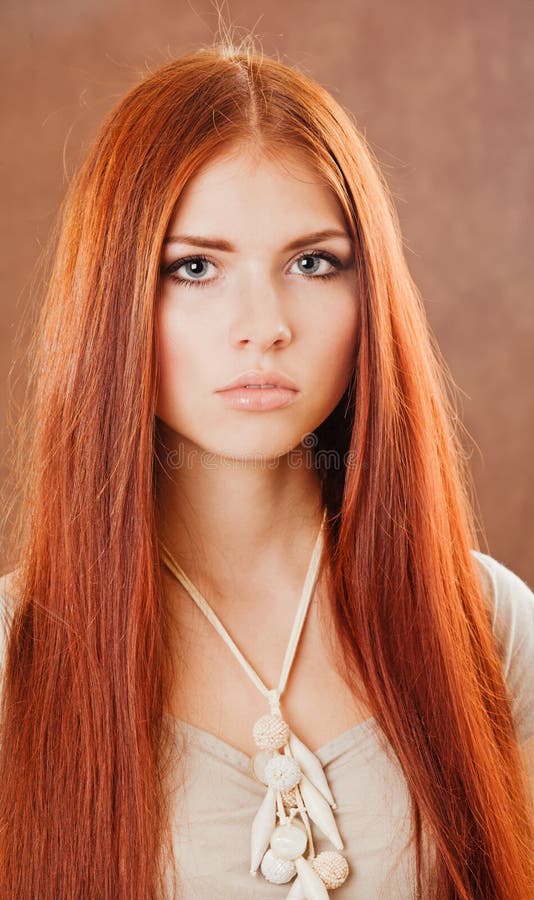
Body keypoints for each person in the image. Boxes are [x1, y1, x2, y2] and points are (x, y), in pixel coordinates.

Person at [0, 38, 532, 900]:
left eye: (312, 262)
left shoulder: (483, 623)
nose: (264, 324)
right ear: (114, 299)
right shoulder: (17, 659)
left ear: (372, 298)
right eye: (196, 267)